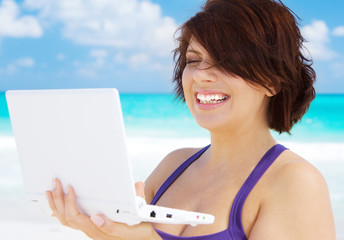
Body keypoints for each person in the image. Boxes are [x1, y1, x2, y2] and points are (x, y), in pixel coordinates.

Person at [46, 0, 336, 239]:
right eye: (193, 60)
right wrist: (97, 228)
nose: (200, 75)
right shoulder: (173, 166)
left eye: (227, 61)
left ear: (272, 81)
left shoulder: (295, 183)